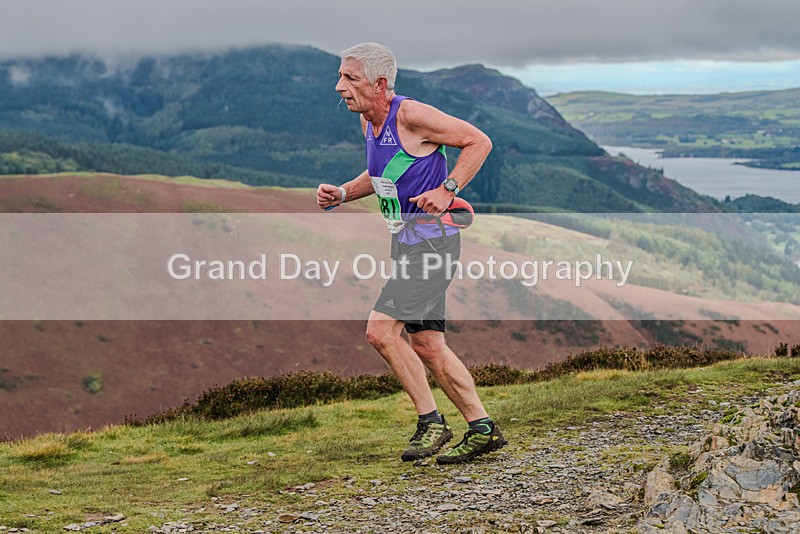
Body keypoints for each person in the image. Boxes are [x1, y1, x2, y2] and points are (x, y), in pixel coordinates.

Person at [317, 42, 506, 464]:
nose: (339, 87)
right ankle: (483, 428)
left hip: (432, 242)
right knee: (427, 344)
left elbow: (478, 142)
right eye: (341, 76)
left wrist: (447, 189)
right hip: (406, 241)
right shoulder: (369, 120)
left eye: (350, 79)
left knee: (381, 332)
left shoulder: (410, 115)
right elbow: (384, 172)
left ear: (380, 84)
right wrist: (344, 193)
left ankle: (431, 422)